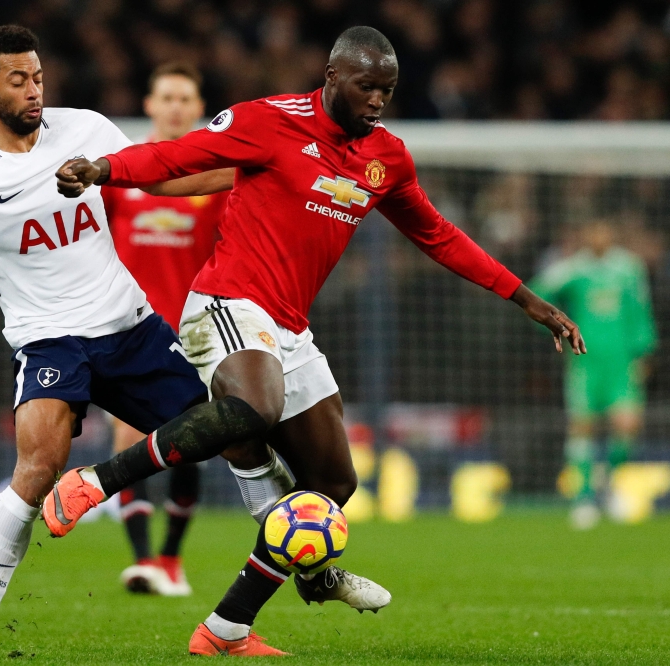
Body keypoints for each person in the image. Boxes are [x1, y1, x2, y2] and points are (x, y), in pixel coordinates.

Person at [51, 26, 586, 656]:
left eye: (387, 90)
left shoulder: (386, 158)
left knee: (333, 484)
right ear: (332, 77)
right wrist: (102, 170)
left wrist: (526, 299)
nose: (377, 100)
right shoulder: (269, 120)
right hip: (226, 301)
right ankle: (97, 480)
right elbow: (179, 156)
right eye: (366, 86)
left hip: (289, 326)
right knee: (254, 408)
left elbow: (438, 235)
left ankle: (227, 627)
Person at [0, 25, 261, 661]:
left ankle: (291, 578)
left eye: (37, 77)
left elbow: (161, 181)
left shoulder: (87, 128)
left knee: (237, 436)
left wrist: (254, 173)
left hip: (130, 327)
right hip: (48, 340)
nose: (34, 91)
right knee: (35, 470)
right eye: (18, 80)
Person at [104, 62, 228, 597]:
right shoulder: (122, 171)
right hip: (128, 328)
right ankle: (144, 562)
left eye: (185, 98)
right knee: (126, 436)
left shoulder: (214, 178)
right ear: (150, 105)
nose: (175, 106)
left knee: (190, 443)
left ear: (199, 109)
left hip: (195, 329)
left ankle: (172, 560)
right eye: (167, 97)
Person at [530, 218, 655, 529]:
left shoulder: (629, 268)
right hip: (584, 362)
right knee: (582, 427)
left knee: (626, 425)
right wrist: (555, 325)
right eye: (594, 231)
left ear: (612, 234)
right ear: (586, 236)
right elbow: (538, 290)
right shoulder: (575, 268)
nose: (599, 236)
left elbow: (640, 310)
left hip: (621, 363)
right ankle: (583, 499)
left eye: (604, 230)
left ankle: (609, 488)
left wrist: (643, 350)